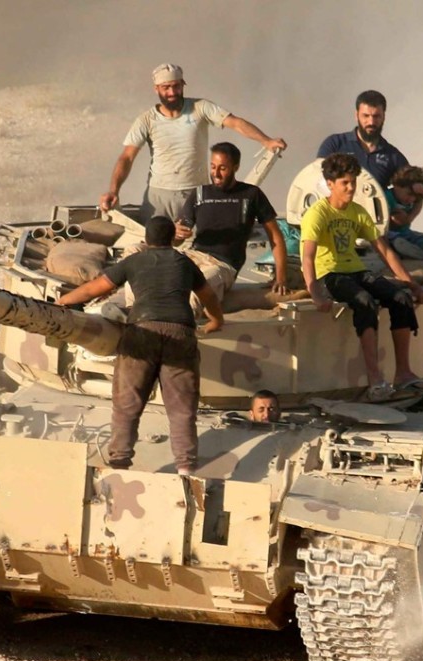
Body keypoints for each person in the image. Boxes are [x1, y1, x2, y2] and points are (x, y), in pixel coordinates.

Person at [56, 216, 224, 475]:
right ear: (172, 238)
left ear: (146, 239)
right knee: (181, 409)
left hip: (141, 331)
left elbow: (93, 289)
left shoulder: (134, 261)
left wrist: (62, 302)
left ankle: (120, 462)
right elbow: (208, 296)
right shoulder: (184, 262)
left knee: (127, 403)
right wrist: (216, 320)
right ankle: (186, 467)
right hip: (180, 333)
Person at [300, 153, 423, 402]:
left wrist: (411, 284)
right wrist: (315, 292)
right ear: (330, 184)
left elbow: (384, 251)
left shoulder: (358, 212)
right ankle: (375, 379)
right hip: (330, 273)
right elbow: (308, 257)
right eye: (345, 183)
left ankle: (403, 372)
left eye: (353, 182)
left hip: (355, 269)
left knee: (400, 298)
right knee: (364, 301)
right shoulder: (317, 214)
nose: (351, 188)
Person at [99, 63, 287, 223]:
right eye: (166, 88)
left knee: (199, 246)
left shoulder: (200, 108)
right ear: (156, 89)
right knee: (154, 244)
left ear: (183, 84)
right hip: (159, 198)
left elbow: (235, 123)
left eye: (176, 86)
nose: (172, 92)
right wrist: (114, 191)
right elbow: (127, 157)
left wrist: (266, 141)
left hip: (195, 194)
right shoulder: (146, 120)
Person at [176, 142, 290, 301]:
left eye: (222, 168)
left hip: (222, 265)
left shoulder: (251, 195)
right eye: (213, 167)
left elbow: (275, 237)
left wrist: (281, 277)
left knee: (198, 292)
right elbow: (177, 239)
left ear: (236, 167)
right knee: (160, 280)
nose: (216, 173)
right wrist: (175, 234)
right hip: (194, 257)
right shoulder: (199, 194)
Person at [317, 90, 408, 188]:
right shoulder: (334, 144)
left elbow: (411, 187)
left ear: (383, 117)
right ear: (356, 116)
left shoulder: (393, 156)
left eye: (376, 116)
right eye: (366, 116)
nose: (371, 122)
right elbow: (316, 177)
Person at [385, 165, 423, 260]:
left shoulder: (411, 199)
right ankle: (410, 251)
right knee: (395, 240)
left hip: (405, 232)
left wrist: (409, 218)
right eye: (409, 194)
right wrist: (393, 219)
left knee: (418, 239)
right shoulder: (387, 197)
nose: (411, 199)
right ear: (397, 186)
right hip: (390, 233)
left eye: (415, 197)